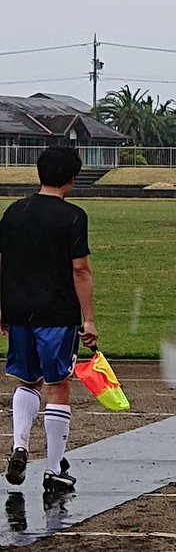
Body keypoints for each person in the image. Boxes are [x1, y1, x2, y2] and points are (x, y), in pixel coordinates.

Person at [1, 147, 98, 493]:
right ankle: (55, 469)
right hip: (57, 313)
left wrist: (2, 308)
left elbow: (3, 261)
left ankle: (20, 445)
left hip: (19, 311)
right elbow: (80, 269)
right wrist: (88, 319)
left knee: (27, 381)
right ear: (72, 179)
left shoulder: (13, 212)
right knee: (58, 385)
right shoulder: (73, 216)